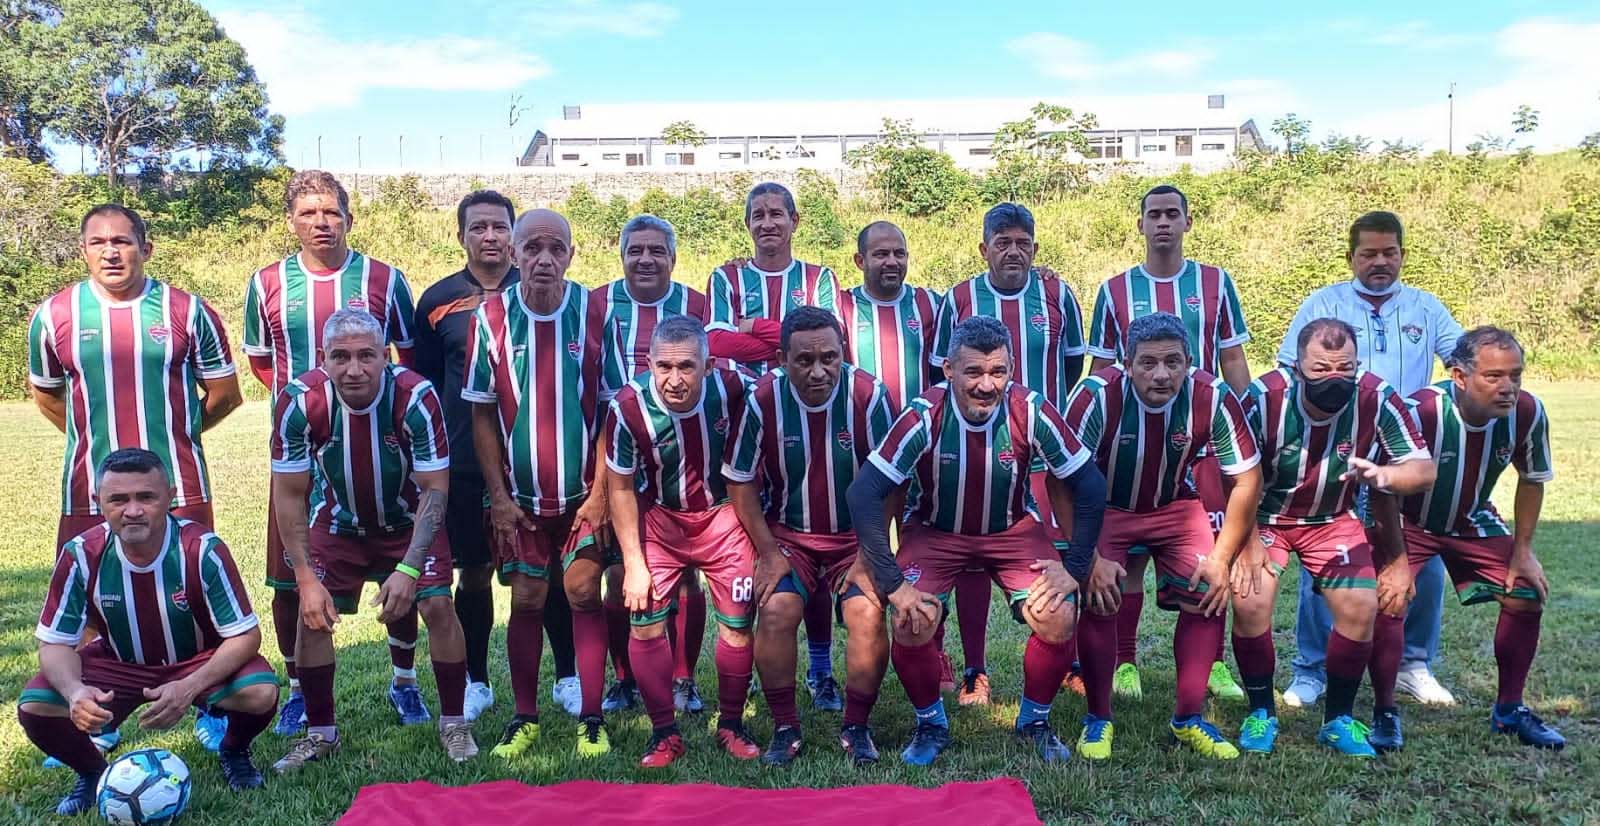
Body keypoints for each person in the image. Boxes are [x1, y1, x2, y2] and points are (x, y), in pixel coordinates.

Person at [28, 204, 243, 753]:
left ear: (145, 248)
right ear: (84, 250)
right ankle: (97, 714)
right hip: (88, 487)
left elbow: (225, 394)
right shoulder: (54, 315)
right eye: (98, 242)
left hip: (178, 480)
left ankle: (209, 706)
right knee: (92, 607)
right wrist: (91, 445)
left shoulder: (187, 311)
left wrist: (182, 433)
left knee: (196, 599)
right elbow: (48, 396)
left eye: (122, 241)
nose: (111, 251)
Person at [847, 316, 1108, 766]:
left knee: (1059, 613)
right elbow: (864, 493)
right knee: (912, 618)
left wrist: (1076, 567)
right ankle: (930, 722)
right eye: (973, 372)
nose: (987, 385)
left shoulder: (1031, 409)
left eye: (998, 372)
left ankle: (1034, 721)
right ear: (948, 370)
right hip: (935, 532)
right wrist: (893, 583)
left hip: (1011, 532)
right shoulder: (923, 414)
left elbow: (1089, 484)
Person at [242, 170, 427, 734]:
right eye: (308, 213)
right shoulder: (267, 282)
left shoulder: (385, 279)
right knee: (288, 576)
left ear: (348, 217)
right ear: (291, 221)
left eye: (330, 212)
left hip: (379, 448)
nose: (320, 222)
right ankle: (299, 689)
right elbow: (261, 362)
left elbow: (405, 358)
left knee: (400, 561)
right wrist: (305, 406)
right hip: (302, 448)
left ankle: (405, 681)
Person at [269, 311, 475, 771]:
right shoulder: (300, 401)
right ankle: (320, 733)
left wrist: (407, 569)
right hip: (337, 526)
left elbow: (435, 490)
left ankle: (455, 723)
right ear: (324, 359)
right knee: (313, 617)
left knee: (439, 607)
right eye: (340, 357)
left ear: (386, 357)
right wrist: (304, 578)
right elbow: (288, 495)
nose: (354, 369)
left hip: (408, 522)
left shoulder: (415, 396)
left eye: (366, 356)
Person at [19, 449, 276, 815]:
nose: (133, 510)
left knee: (260, 692)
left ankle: (233, 750)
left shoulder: (201, 550)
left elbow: (245, 636)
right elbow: (55, 643)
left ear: (170, 497)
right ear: (98, 503)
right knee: (37, 703)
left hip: (195, 662)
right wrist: (75, 692)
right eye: (118, 499)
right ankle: (94, 773)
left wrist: (188, 687)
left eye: (146, 497)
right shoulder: (81, 554)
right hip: (118, 664)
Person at [1277, 211, 1463, 709]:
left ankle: (1413, 663)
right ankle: (1311, 670)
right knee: (1328, 554)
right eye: (1369, 253)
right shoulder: (1323, 303)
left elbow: (1462, 360)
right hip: (1336, 451)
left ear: (1402, 253)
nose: (1380, 262)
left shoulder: (1425, 307)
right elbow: (1288, 370)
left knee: (1420, 556)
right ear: (1351, 257)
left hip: (1403, 454)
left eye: (1389, 252)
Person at [1230, 318, 1436, 758]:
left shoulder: (1376, 397)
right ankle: (1261, 711)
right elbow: (1229, 475)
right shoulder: (1264, 398)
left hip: (1331, 516)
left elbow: (1423, 468)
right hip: (1265, 516)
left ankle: (1338, 719)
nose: (1334, 378)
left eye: (1344, 368)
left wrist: (1385, 473)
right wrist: (1246, 543)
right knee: (1251, 600)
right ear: (1296, 365)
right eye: (1321, 368)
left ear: (1358, 365)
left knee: (1362, 605)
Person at [413, 190, 582, 722]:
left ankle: (569, 676)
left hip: (537, 469)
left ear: (513, 239)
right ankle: (477, 679)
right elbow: (425, 382)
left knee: (550, 574)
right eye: (477, 227)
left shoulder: (539, 289)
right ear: (460, 236)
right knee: (476, 574)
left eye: (498, 227)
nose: (489, 236)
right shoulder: (438, 300)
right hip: (465, 464)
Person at [1062, 313, 1262, 760]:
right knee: (1100, 594)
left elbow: (1247, 480)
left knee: (1207, 591)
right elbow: (1064, 479)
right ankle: (1098, 718)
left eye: (1174, 362)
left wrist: (1222, 558)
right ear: (1126, 363)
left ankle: (1188, 718)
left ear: (1190, 362)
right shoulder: (1095, 397)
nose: (1161, 374)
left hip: (1174, 505)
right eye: (1148, 363)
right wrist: (1087, 557)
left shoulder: (1211, 396)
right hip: (1106, 507)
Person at [1085, 184, 1253, 702]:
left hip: (1197, 440)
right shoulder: (1114, 289)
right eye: (1153, 214)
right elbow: (1100, 369)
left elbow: (1232, 359)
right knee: (1128, 554)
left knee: (1207, 554)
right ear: (1140, 224)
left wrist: (1246, 420)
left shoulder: (1215, 282)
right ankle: (1125, 660)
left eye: (1171, 213)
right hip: (1136, 436)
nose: (1163, 222)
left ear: (1186, 221)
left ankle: (1215, 665)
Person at [1364, 327, 1563, 751]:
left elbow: (1532, 480)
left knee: (1526, 592)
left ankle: (1509, 710)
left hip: (1471, 518)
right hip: (1405, 521)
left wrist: (1523, 552)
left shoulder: (1527, 411)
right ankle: (1384, 712)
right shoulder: (1420, 411)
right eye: (1494, 376)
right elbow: (1382, 492)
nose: (1508, 387)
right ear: (1459, 376)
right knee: (1389, 597)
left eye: (1516, 374)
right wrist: (1397, 563)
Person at [463, 209, 613, 759]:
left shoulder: (596, 313)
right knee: (526, 599)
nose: (544, 259)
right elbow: (480, 413)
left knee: (580, 592)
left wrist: (600, 494)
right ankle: (523, 716)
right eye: (532, 248)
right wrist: (498, 499)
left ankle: (592, 716)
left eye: (556, 248)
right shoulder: (492, 316)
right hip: (520, 501)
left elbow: (611, 410)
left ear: (571, 254)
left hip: (581, 498)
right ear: (514, 254)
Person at [723, 307, 898, 766]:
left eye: (829, 357)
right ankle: (785, 726)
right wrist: (767, 552)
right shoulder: (762, 399)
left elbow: (893, 481)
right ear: (781, 358)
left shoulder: (868, 395)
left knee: (866, 613)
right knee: (777, 611)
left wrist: (869, 553)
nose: (818, 371)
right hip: (789, 536)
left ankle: (857, 726)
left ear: (843, 354)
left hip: (853, 538)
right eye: (804, 361)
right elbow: (739, 481)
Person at [929, 202, 1087, 705]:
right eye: (1003, 243)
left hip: (1042, 451)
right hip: (978, 447)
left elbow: (1073, 364)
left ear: (1035, 248)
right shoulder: (958, 299)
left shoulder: (1058, 293)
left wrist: (1037, 418)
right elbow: (943, 370)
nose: (1013, 251)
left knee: (1057, 555)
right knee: (975, 556)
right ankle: (976, 669)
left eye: (1023, 243)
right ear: (985, 249)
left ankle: (1072, 661)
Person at [704, 181, 842, 708]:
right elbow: (717, 342)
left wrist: (756, 330)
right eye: (757, 214)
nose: (767, 223)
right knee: (757, 535)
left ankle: (823, 665)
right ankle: (759, 661)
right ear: (747, 223)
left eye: (776, 213)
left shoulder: (819, 277)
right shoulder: (726, 275)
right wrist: (783, 338)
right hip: (747, 410)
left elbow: (826, 338)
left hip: (809, 412)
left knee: (817, 532)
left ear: (794, 220)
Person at [606, 316, 761, 768]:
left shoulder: (736, 388)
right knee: (645, 622)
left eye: (687, 367)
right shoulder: (627, 407)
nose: (675, 380)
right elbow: (619, 487)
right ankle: (663, 733)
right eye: (664, 367)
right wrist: (633, 562)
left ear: (709, 365)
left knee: (736, 624)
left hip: (722, 519)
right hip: (661, 521)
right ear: (649, 363)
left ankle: (731, 724)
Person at [591, 214, 714, 716]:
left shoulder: (697, 305)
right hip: (613, 453)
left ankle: (683, 677)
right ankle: (624, 678)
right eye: (635, 249)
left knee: (686, 575)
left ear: (673, 257)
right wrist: (598, 484)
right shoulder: (596, 303)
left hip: (677, 456)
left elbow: (721, 359)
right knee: (622, 572)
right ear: (621, 255)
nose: (645, 259)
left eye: (656, 250)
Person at [837, 221, 961, 693]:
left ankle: (935, 650)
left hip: (923, 448)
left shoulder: (930, 303)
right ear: (860, 260)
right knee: (855, 546)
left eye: (899, 253)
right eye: (881, 254)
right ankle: (827, 662)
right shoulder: (842, 305)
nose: (891, 262)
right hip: (863, 446)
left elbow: (944, 372)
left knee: (922, 550)